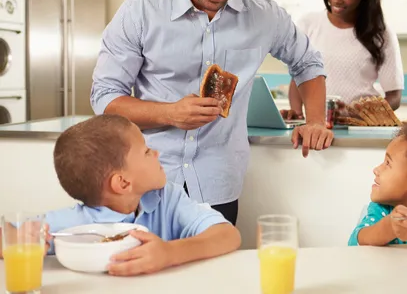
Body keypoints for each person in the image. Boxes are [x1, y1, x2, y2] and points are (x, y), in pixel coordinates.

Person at [90, 0, 334, 225]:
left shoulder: (263, 16)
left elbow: (308, 62)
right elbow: (105, 99)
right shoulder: (140, 12)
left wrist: (315, 120)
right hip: (146, 184)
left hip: (219, 187)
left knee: (215, 274)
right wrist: (169, 113)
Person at [0, 115, 241, 276]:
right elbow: (9, 236)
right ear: (123, 182)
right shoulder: (72, 226)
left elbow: (228, 235)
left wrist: (170, 253)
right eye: (146, 151)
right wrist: (14, 236)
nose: (157, 153)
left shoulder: (167, 199)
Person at [281, 0, 404, 121]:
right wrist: (297, 114)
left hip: (359, 128)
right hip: (317, 127)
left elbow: (394, 97)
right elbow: (298, 80)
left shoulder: (381, 33)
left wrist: (354, 113)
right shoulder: (308, 24)